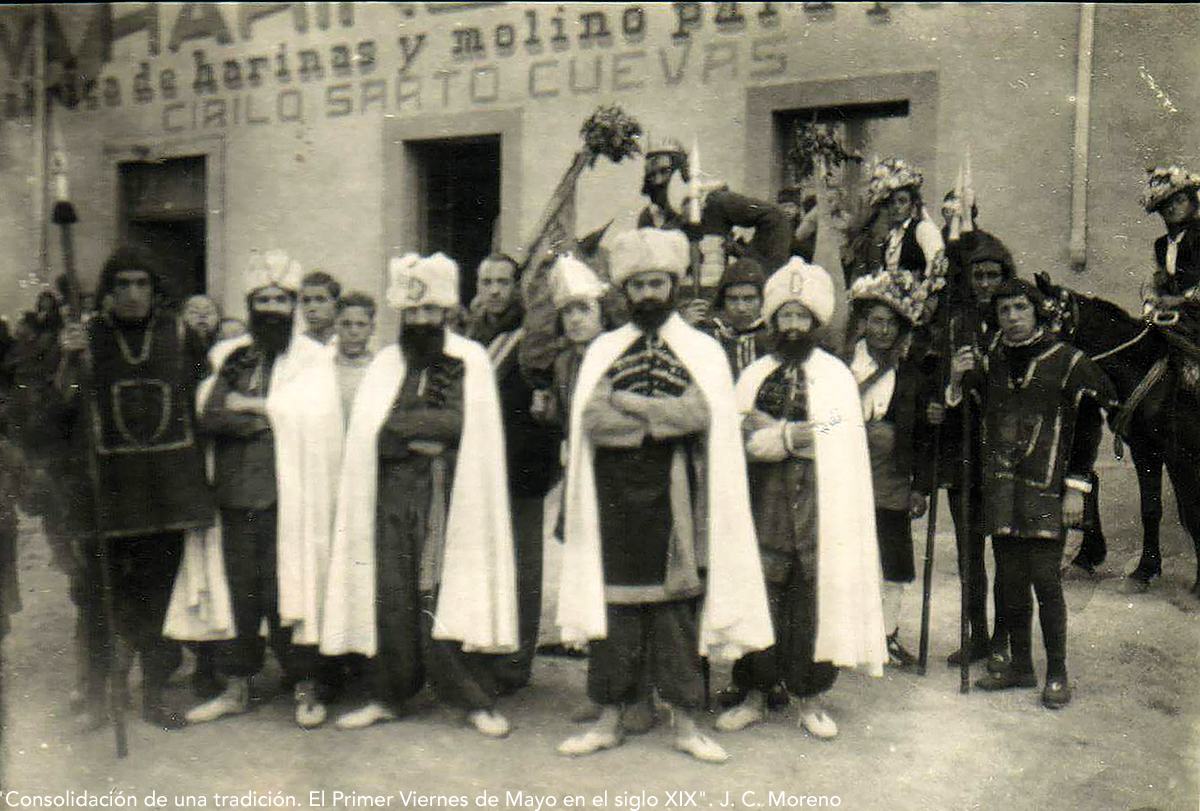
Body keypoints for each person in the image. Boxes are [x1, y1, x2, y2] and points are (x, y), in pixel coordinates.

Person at [556, 228, 774, 763]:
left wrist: (631, 409)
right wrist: (659, 419)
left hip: (678, 497)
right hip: (614, 500)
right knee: (616, 611)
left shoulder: (701, 349)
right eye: (639, 285)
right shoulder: (605, 347)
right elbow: (593, 421)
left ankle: (686, 724)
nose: (649, 294)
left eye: (658, 283)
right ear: (625, 291)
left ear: (674, 286)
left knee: (676, 614)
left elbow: (700, 415)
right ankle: (610, 718)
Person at [321, 252, 517, 737]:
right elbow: (376, 432)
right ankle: (389, 695)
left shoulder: (468, 359)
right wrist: (416, 435)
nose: (421, 321)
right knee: (391, 594)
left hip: (450, 496)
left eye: (430, 311)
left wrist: (413, 432)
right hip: (391, 494)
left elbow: (458, 423)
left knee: (446, 594)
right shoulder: (387, 364)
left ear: (447, 312)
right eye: (412, 313)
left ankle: (471, 699)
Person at [714, 258, 884, 739]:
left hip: (817, 508)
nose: (792, 326)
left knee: (809, 602)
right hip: (763, 504)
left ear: (815, 321)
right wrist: (756, 432)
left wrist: (787, 438)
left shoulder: (834, 376)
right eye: (784, 316)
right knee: (761, 595)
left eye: (800, 317)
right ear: (773, 321)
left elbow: (842, 427)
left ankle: (809, 698)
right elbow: (738, 422)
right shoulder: (756, 372)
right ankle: (753, 693)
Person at [55, 245, 215, 730]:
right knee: (99, 597)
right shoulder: (89, 338)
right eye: (121, 284)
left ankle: (154, 693)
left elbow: (204, 400)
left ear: (155, 289)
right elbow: (62, 409)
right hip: (109, 493)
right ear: (107, 292)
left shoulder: (181, 334)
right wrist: (68, 362)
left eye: (141, 283)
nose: (131, 294)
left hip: (165, 493)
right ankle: (101, 695)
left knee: (159, 598)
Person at [185, 250, 343, 729]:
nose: (272, 307)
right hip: (234, 496)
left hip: (289, 498)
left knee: (288, 591)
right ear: (251, 304)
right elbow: (209, 414)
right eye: (262, 299)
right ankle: (236, 686)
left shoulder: (315, 359)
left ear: (292, 304)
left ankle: (305, 686)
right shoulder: (229, 356)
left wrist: (250, 406)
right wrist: (266, 415)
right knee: (238, 594)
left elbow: (315, 419)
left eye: (280, 299)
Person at [946, 278, 1118, 708]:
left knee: (1045, 579)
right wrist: (957, 378)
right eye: (1004, 310)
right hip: (1002, 487)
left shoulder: (1067, 360)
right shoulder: (991, 360)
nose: (1013, 317)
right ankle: (1021, 666)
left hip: (1047, 487)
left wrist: (1077, 488)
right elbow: (969, 410)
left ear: (1036, 311)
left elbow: (1088, 427)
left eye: (1020, 308)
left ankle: (1057, 671)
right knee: (1008, 580)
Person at [466, 253, 562, 694]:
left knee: (524, 567)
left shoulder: (535, 334)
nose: (495, 290)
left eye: (504, 281)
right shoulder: (466, 333)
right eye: (487, 281)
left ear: (516, 286)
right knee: (482, 563)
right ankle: (483, 650)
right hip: (477, 465)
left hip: (524, 464)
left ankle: (517, 662)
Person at [927, 232, 1017, 669]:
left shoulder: (1015, 319)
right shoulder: (955, 322)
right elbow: (941, 386)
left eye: (993, 275)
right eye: (978, 275)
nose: (985, 283)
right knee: (969, 554)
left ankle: (1003, 639)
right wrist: (957, 380)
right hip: (964, 456)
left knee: (1005, 552)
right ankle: (976, 634)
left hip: (1004, 458)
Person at [846, 270, 935, 669]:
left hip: (892, 477)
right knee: (846, 554)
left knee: (894, 559)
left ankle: (887, 634)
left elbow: (925, 438)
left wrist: (922, 487)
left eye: (892, 323)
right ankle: (845, 636)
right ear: (864, 323)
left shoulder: (912, 374)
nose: (883, 331)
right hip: (846, 472)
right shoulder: (843, 363)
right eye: (877, 321)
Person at [688, 256, 772, 379]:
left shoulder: (774, 337)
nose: (741, 308)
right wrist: (684, 329)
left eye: (749, 299)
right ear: (722, 301)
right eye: (733, 299)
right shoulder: (708, 335)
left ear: (762, 300)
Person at [1142, 165, 1200, 305]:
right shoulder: (1161, 245)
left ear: (1193, 203)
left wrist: (1182, 300)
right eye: (1165, 205)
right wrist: (1151, 298)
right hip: (1173, 314)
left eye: (1180, 201)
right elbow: (1152, 281)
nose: (1172, 208)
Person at [333, 292, 377, 424]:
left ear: (372, 328)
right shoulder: (323, 370)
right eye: (346, 324)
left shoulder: (380, 371)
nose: (353, 331)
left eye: (361, 324)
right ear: (336, 326)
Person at [300, 270, 341, 346]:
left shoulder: (348, 344)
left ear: (336, 304)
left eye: (320, 300)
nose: (311, 308)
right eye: (306, 301)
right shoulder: (294, 346)